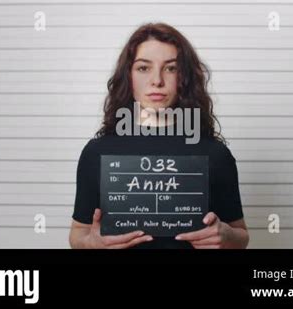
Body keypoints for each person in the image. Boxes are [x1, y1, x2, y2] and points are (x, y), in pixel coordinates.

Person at [69, 23, 249, 249]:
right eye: (144, 68)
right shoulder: (96, 152)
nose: (157, 80)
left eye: (171, 68)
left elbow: (241, 235)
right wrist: (90, 244)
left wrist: (227, 237)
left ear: (185, 77)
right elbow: (78, 233)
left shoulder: (215, 153)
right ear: (129, 75)